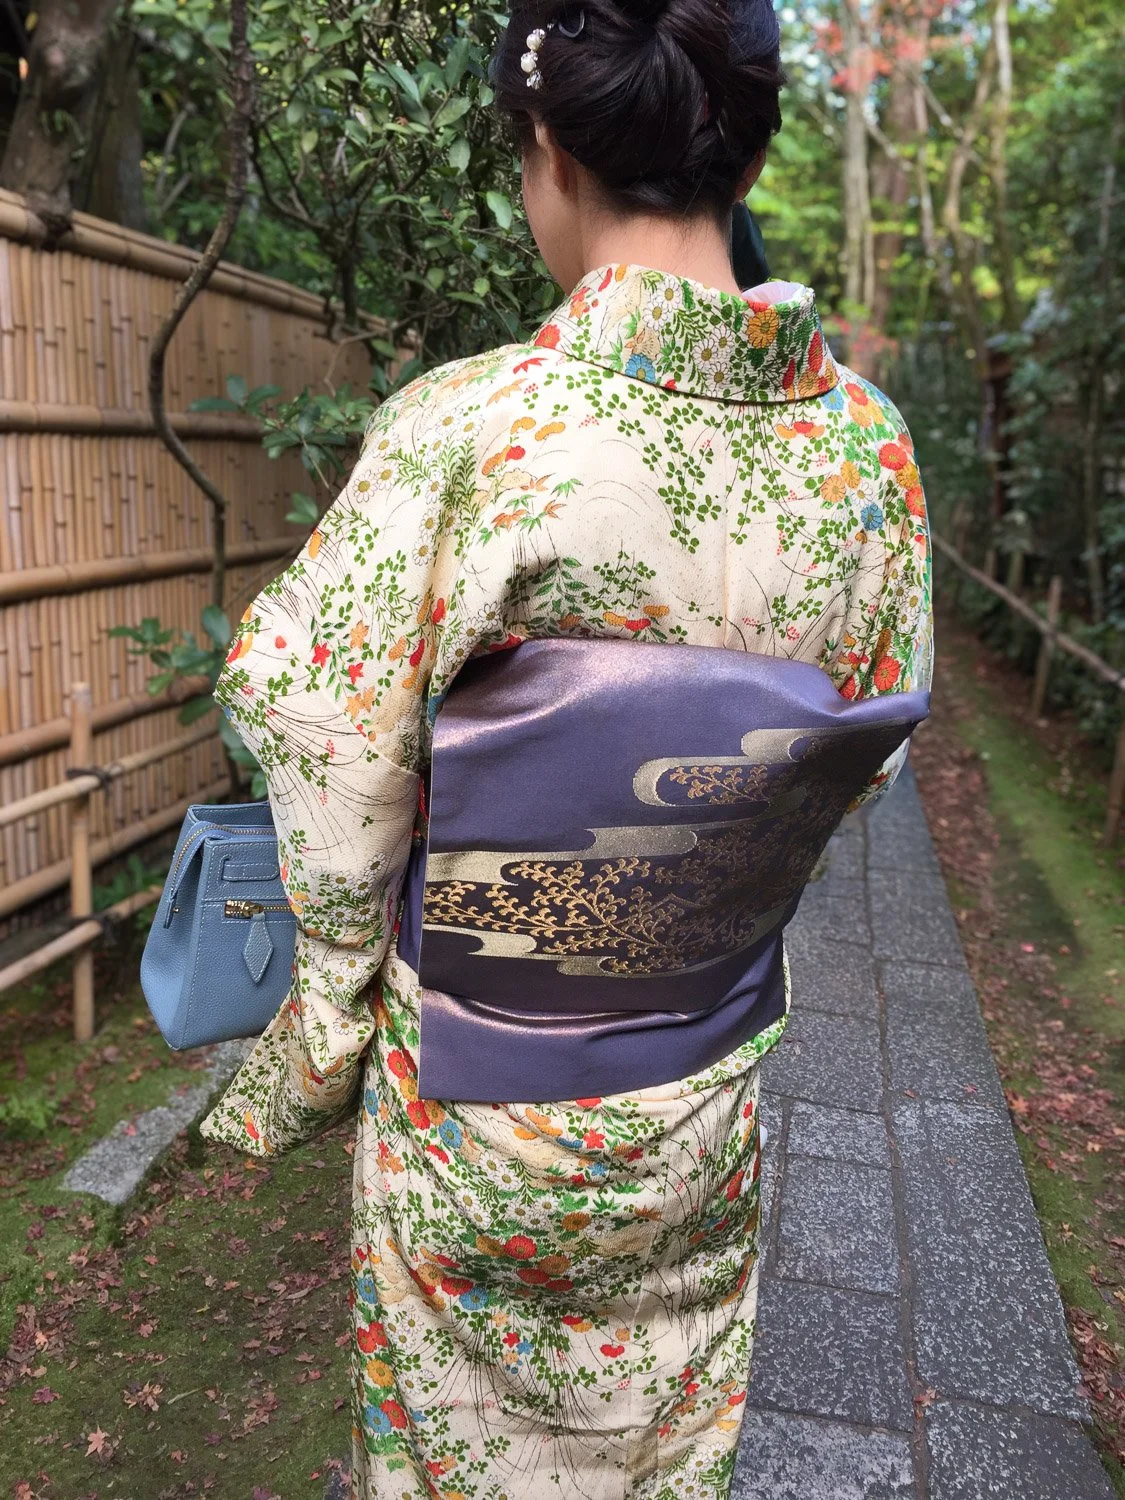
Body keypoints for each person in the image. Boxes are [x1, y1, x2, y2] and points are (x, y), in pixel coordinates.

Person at [200, 1, 933, 1496]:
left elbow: (310, 721)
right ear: (738, 144)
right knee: (660, 1447)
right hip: (698, 1083)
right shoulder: (868, 452)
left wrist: (328, 1014)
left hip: (478, 1091)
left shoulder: (475, 431)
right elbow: (865, 758)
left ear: (548, 149)